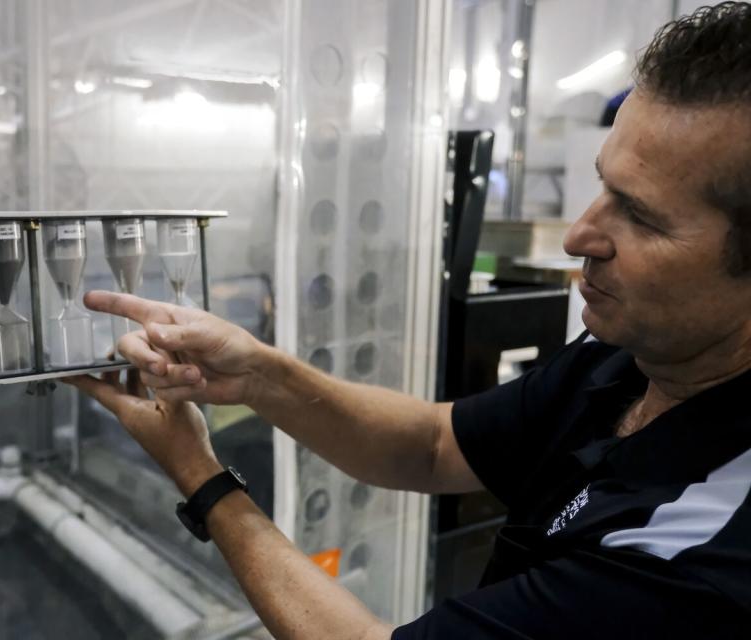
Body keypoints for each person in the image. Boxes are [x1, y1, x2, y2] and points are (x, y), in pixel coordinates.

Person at [66, 4, 751, 638]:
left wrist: (200, 473)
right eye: (601, 185)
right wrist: (255, 373)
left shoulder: (703, 556)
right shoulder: (631, 358)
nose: (579, 235)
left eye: (641, 216)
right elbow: (432, 445)